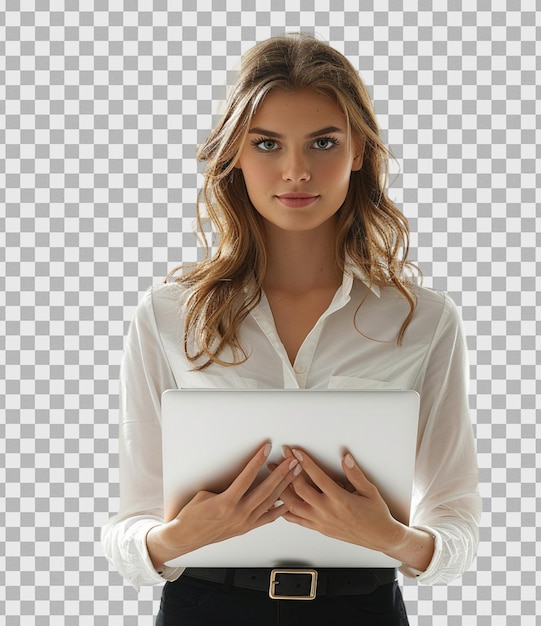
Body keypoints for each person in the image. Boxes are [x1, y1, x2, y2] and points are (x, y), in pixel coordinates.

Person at [102, 33, 481, 625]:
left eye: (323, 143)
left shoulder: (424, 320)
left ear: (359, 152)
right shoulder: (168, 315)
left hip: (364, 610)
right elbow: (130, 524)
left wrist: (393, 539)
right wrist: (177, 538)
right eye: (267, 144)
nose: (296, 170)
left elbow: (457, 513)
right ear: (235, 155)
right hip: (205, 608)